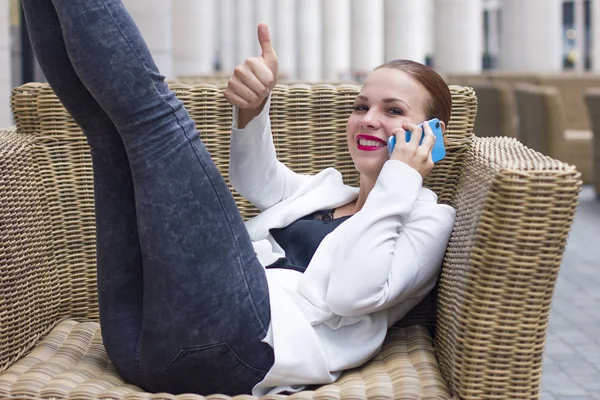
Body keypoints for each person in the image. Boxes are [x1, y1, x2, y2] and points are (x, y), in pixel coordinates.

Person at [20, 0, 455, 397]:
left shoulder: (427, 219)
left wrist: (400, 181)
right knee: (106, 136)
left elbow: (350, 295)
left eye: (393, 111)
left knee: (153, 121)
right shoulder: (325, 190)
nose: (369, 120)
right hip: (140, 341)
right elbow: (258, 183)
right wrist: (253, 108)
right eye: (361, 107)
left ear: (434, 136)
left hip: (241, 347)